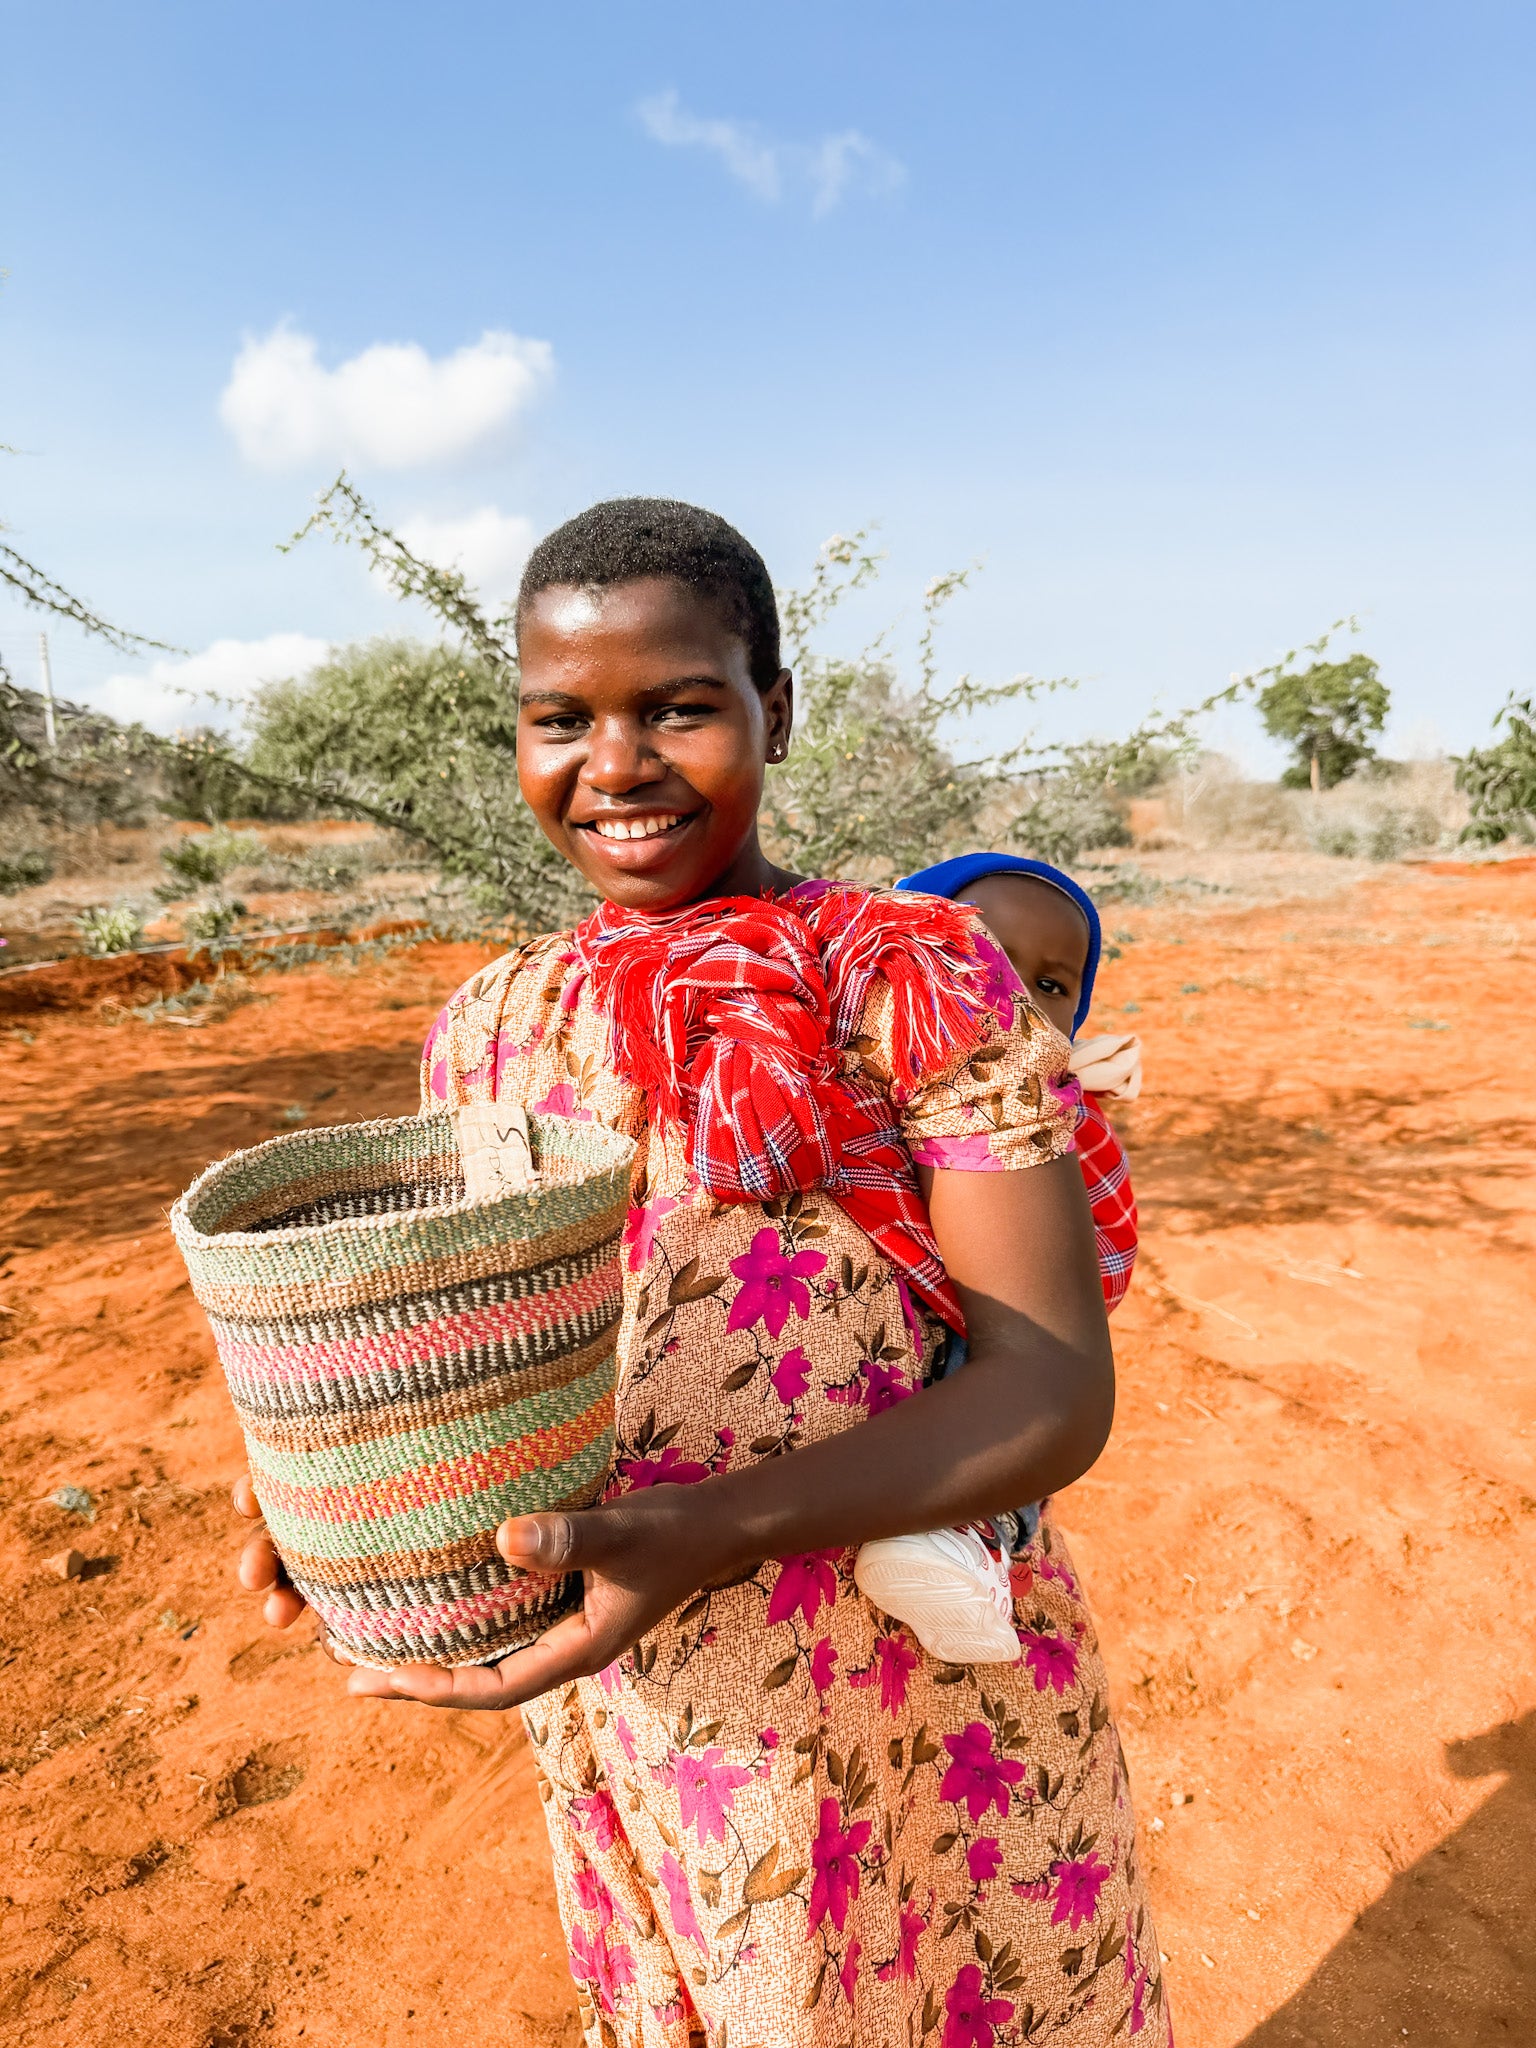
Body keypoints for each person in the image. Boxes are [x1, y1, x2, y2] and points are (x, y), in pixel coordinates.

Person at [234, 498, 1171, 2046]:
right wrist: (347, 1491)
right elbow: (473, 1356)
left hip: (916, 1688)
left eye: (679, 707)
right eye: (561, 719)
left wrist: (703, 1531)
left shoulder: (913, 973)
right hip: (650, 1701)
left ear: (775, 712)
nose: (615, 764)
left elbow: (1053, 1389)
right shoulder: (489, 1032)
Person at [854, 855, 1143, 1663]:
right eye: (981, 959)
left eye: (1050, 985)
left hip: (1010, 1302)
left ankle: (970, 1534)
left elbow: (1072, 1255)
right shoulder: (866, 1070)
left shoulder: (1043, 1110)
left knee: (996, 1376)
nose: (1013, 997)